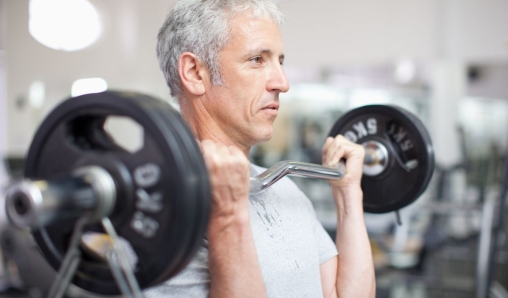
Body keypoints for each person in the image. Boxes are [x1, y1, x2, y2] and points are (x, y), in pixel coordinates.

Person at [149, 0, 375, 297]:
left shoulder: (282, 188)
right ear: (194, 72)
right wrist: (227, 215)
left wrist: (348, 196)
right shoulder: (156, 211)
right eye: (257, 59)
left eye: (279, 61)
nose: (282, 83)